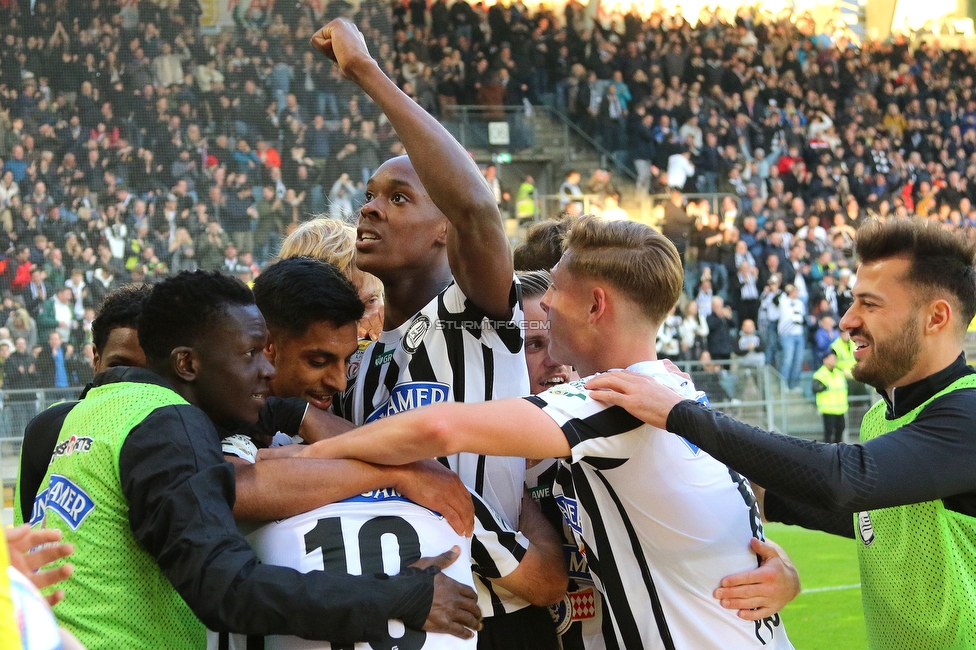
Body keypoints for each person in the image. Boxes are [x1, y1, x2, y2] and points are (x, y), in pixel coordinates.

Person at [299, 217, 798, 649]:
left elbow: (439, 426)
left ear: (595, 305)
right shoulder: (665, 390)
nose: (538, 309)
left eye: (554, 292)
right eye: (523, 339)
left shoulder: (617, 403)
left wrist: (312, 450)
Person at [28, 271, 480, 650]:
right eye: (248, 354)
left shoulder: (99, 406)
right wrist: (400, 597)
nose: (266, 369)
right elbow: (227, 588)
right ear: (187, 364)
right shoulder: (168, 423)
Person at [583, 218, 976, 650]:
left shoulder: (969, 411)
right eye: (852, 301)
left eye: (870, 304)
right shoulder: (883, 415)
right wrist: (748, 493)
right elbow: (877, 523)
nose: (847, 320)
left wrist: (681, 414)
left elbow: (844, 480)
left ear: (936, 317)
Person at [313, 20, 566, 649]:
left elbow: (478, 207)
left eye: (398, 198)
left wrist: (367, 72)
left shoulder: (475, 316)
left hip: (501, 622)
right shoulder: (360, 362)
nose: (369, 208)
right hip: (410, 625)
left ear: (443, 229)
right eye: (369, 195)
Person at [15, 284, 150, 526]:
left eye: (149, 371)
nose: (133, 382)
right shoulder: (46, 428)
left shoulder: (183, 427)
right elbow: (25, 533)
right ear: (96, 359)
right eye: (120, 366)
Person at [811, 349, 848, 443]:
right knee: (829, 431)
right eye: (831, 358)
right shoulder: (820, 374)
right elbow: (815, 388)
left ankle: (838, 449)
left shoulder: (839, 373)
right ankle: (828, 451)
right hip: (828, 409)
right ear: (825, 360)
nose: (834, 360)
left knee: (841, 429)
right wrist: (823, 387)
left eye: (834, 358)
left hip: (840, 408)